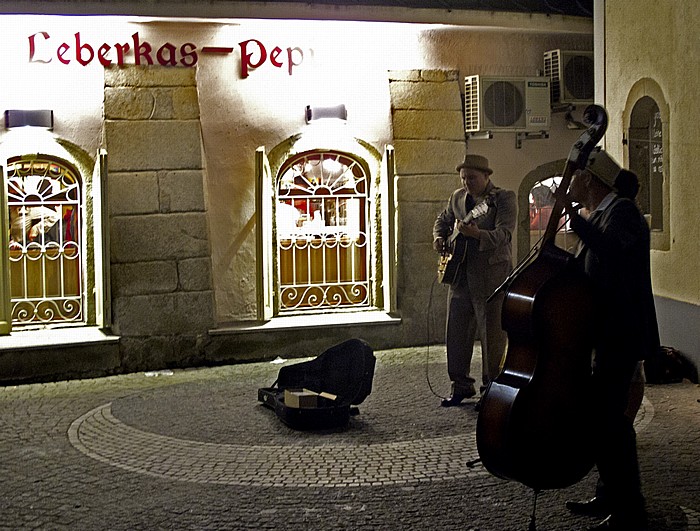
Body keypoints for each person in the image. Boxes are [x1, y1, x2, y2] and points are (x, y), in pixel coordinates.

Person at [564, 149, 660, 531]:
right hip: (603, 333)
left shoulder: (621, 211)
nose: (568, 181)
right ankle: (609, 495)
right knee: (602, 421)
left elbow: (615, 254)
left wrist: (577, 223)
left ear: (589, 178)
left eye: (573, 175)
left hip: (620, 334)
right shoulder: (603, 214)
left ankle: (629, 509)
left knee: (613, 423)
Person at [432, 154, 516, 407]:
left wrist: (478, 234)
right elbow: (443, 220)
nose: (467, 183)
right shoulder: (457, 197)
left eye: (472, 178)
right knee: (456, 332)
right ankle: (461, 384)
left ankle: (490, 388)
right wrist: (438, 237)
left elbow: (505, 234)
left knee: (491, 335)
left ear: (487, 176)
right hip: (460, 276)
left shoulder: (503, 198)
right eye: (464, 178)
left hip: (491, 276)